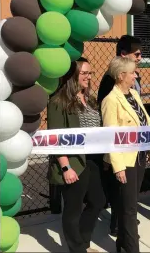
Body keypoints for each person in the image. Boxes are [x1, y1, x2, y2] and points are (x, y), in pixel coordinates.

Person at [47, 57, 106, 253]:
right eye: (84, 73)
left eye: (90, 73)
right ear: (73, 76)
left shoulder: (89, 98)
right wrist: (65, 167)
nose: (89, 77)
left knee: (97, 201)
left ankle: (82, 241)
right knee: (73, 209)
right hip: (73, 162)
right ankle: (77, 249)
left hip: (92, 160)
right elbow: (55, 139)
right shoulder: (58, 102)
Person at [101, 57, 150, 253]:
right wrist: (119, 167)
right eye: (132, 72)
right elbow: (111, 137)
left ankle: (122, 244)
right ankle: (132, 248)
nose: (136, 75)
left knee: (129, 205)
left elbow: (144, 122)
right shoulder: (110, 100)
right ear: (121, 75)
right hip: (125, 161)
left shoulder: (133, 94)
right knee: (130, 209)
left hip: (139, 156)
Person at [97, 35, 142, 236]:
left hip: (136, 151)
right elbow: (110, 124)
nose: (140, 58)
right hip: (120, 153)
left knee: (129, 201)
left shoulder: (132, 88)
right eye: (137, 54)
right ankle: (120, 226)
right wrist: (114, 160)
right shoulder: (110, 86)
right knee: (121, 198)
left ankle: (124, 225)